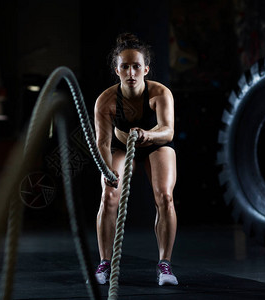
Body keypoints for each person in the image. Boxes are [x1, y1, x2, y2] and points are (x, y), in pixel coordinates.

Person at [93, 33, 178, 286]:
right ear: (116, 70)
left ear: (146, 69)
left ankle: (165, 265)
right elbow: (102, 143)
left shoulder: (160, 93)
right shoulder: (106, 101)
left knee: (165, 196)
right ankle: (105, 263)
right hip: (120, 146)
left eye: (136, 66)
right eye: (125, 67)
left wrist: (147, 135)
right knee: (108, 196)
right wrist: (108, 172)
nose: (131, 72)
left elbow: (168, 130)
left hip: (156, 144)